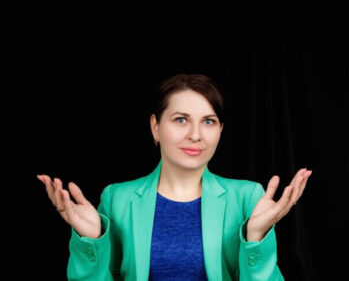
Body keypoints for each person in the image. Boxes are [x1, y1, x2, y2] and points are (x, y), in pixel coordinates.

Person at [37, 74, 312, 280]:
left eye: (209, 121)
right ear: (155, 127)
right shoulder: (117, 199)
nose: (195, 134)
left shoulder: (247, 197)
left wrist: (254, 239)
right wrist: (91, 241)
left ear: (220, 130)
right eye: (181, 119)